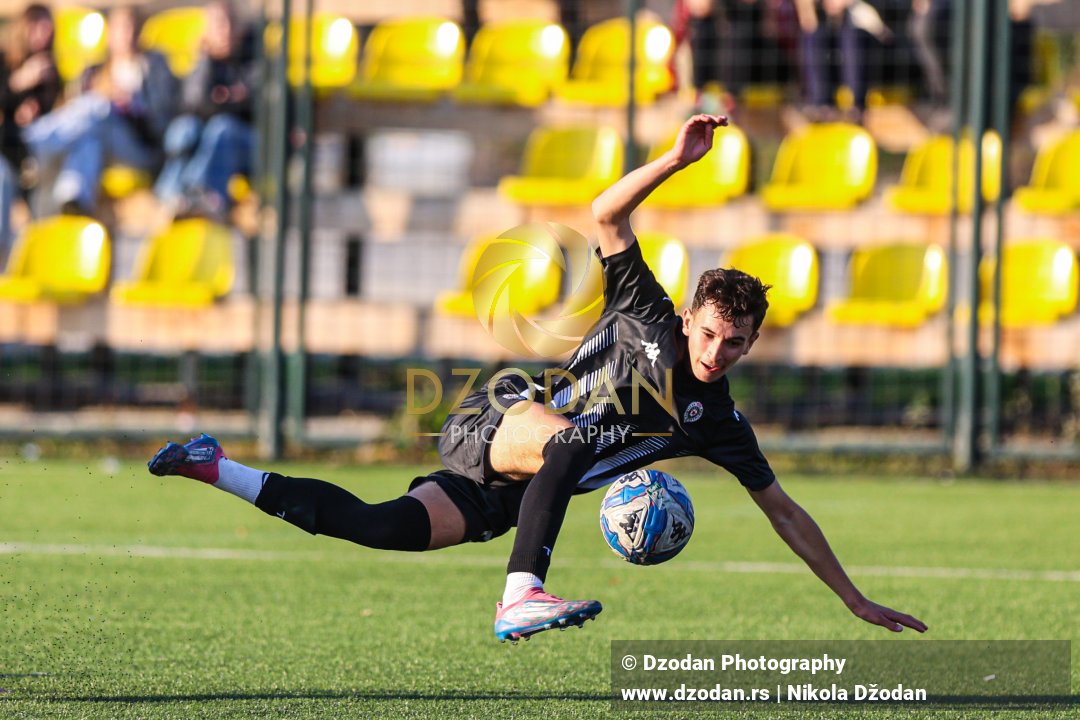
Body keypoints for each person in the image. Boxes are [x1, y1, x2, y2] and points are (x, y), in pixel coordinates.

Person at [148, 114, 928, 644]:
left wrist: (852, 598)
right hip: (502, 413)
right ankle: (521, 592)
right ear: (690, 317)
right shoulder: (646, 310)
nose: (717, 352)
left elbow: (784, 512)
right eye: (710, 334)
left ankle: (215, 467)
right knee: (576, 441)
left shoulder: (718, 423)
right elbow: (607, 214)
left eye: (736, 345)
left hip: (517, 488)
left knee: (379, 526)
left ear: (752, 346)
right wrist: (675, 161)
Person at [22, 4, 177, 216]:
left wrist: (131, 107)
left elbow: (162, 121)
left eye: (131, 27)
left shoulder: (154, 66)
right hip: (100, 139)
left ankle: (29, 143)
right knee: (88, 138)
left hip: (140, 148)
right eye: (121, 28)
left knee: (98, 106)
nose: (127, 34)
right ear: (110, 33)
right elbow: (69, 109)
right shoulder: (94, 71)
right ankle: (72, 201)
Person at [153, 0, 257, 221]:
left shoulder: (255, 57)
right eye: (219, 24)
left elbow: (254, 100)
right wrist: (205, 60)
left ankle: (201, 193)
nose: (225, 31)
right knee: (185, 129)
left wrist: (228, 101)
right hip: (210, 141)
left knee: (222, 127)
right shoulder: (204, 62)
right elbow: (193, 105)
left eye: (230, 23)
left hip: (250, 144)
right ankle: (170, 197)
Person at [0, 3, 60, 258]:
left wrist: (33, 110)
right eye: (37, 26)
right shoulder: (4, 60)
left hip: (31, 150)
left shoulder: (49, 69)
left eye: (47, 27)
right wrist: (18, 83)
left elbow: (52, 114)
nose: (43, 33)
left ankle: (38, 255)